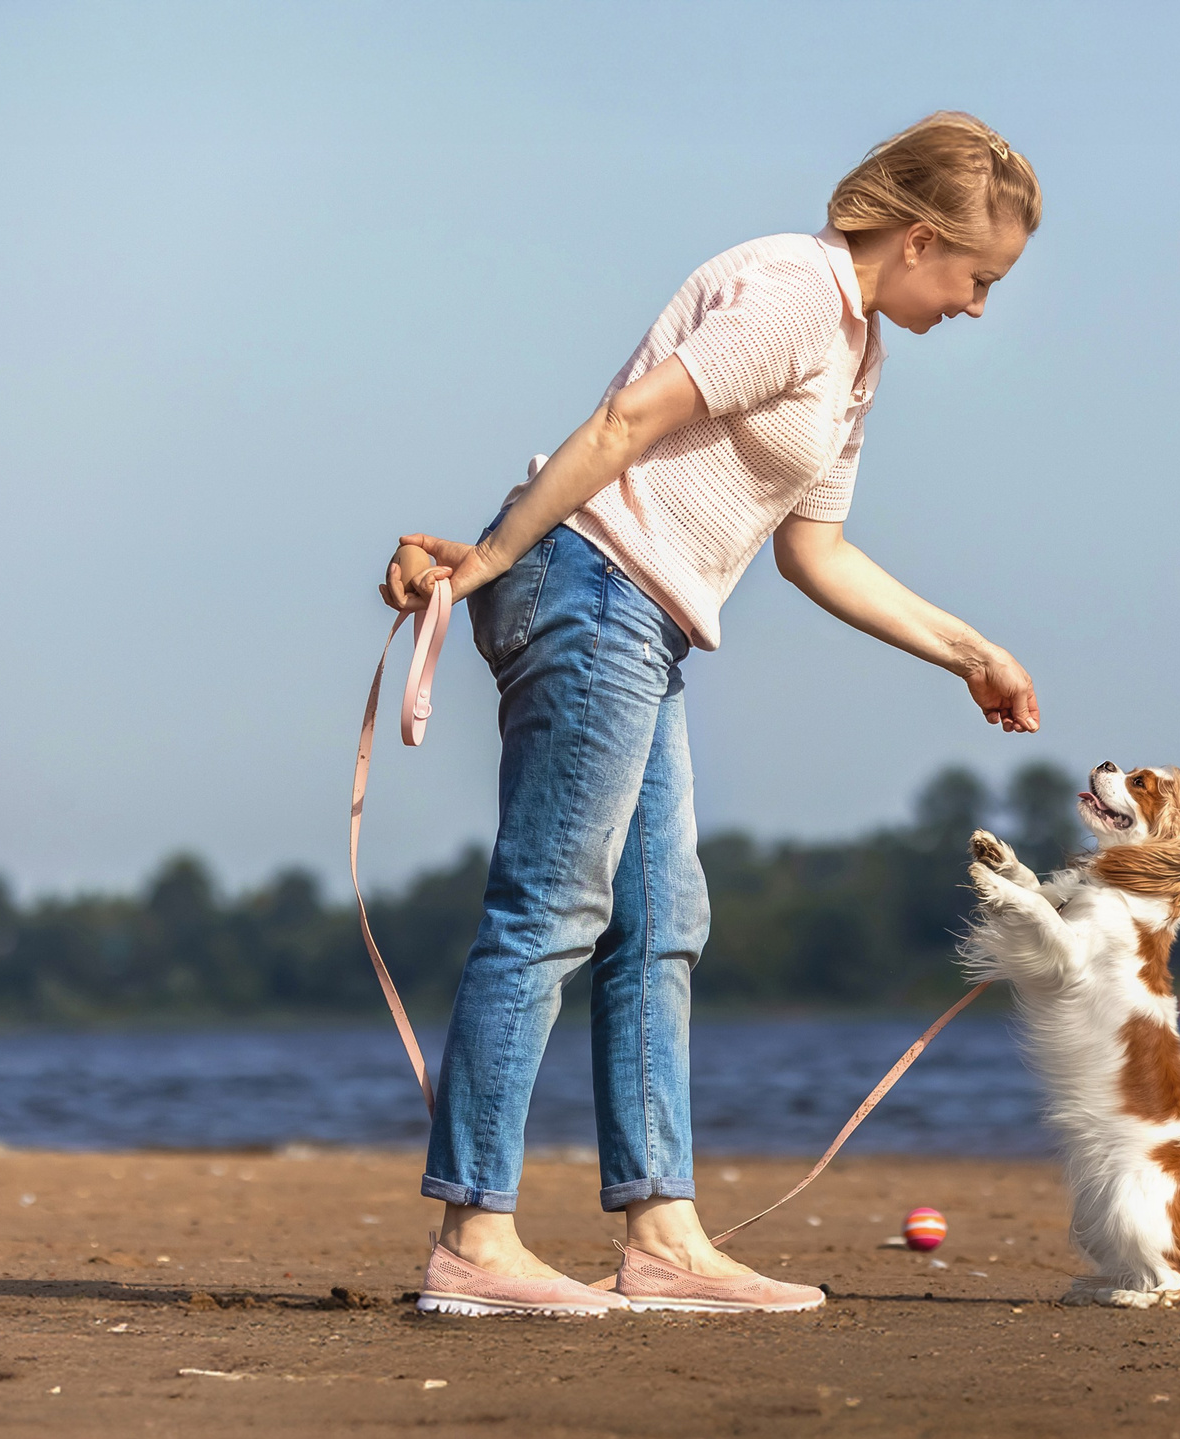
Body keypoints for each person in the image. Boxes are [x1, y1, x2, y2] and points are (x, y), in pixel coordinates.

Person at [378, 111, 1043, 1317]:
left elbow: (815, 553)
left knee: (661, 915)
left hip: (648, 619)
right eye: (978, 276)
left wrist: (968, 651)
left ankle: (662, 1236)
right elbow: (628, 421)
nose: (980, 305)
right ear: (915, 238)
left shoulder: (855, 354)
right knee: (551, 905)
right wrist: (487, 557)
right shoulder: (793, 293)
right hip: (588, 582)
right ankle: (473, 1238)